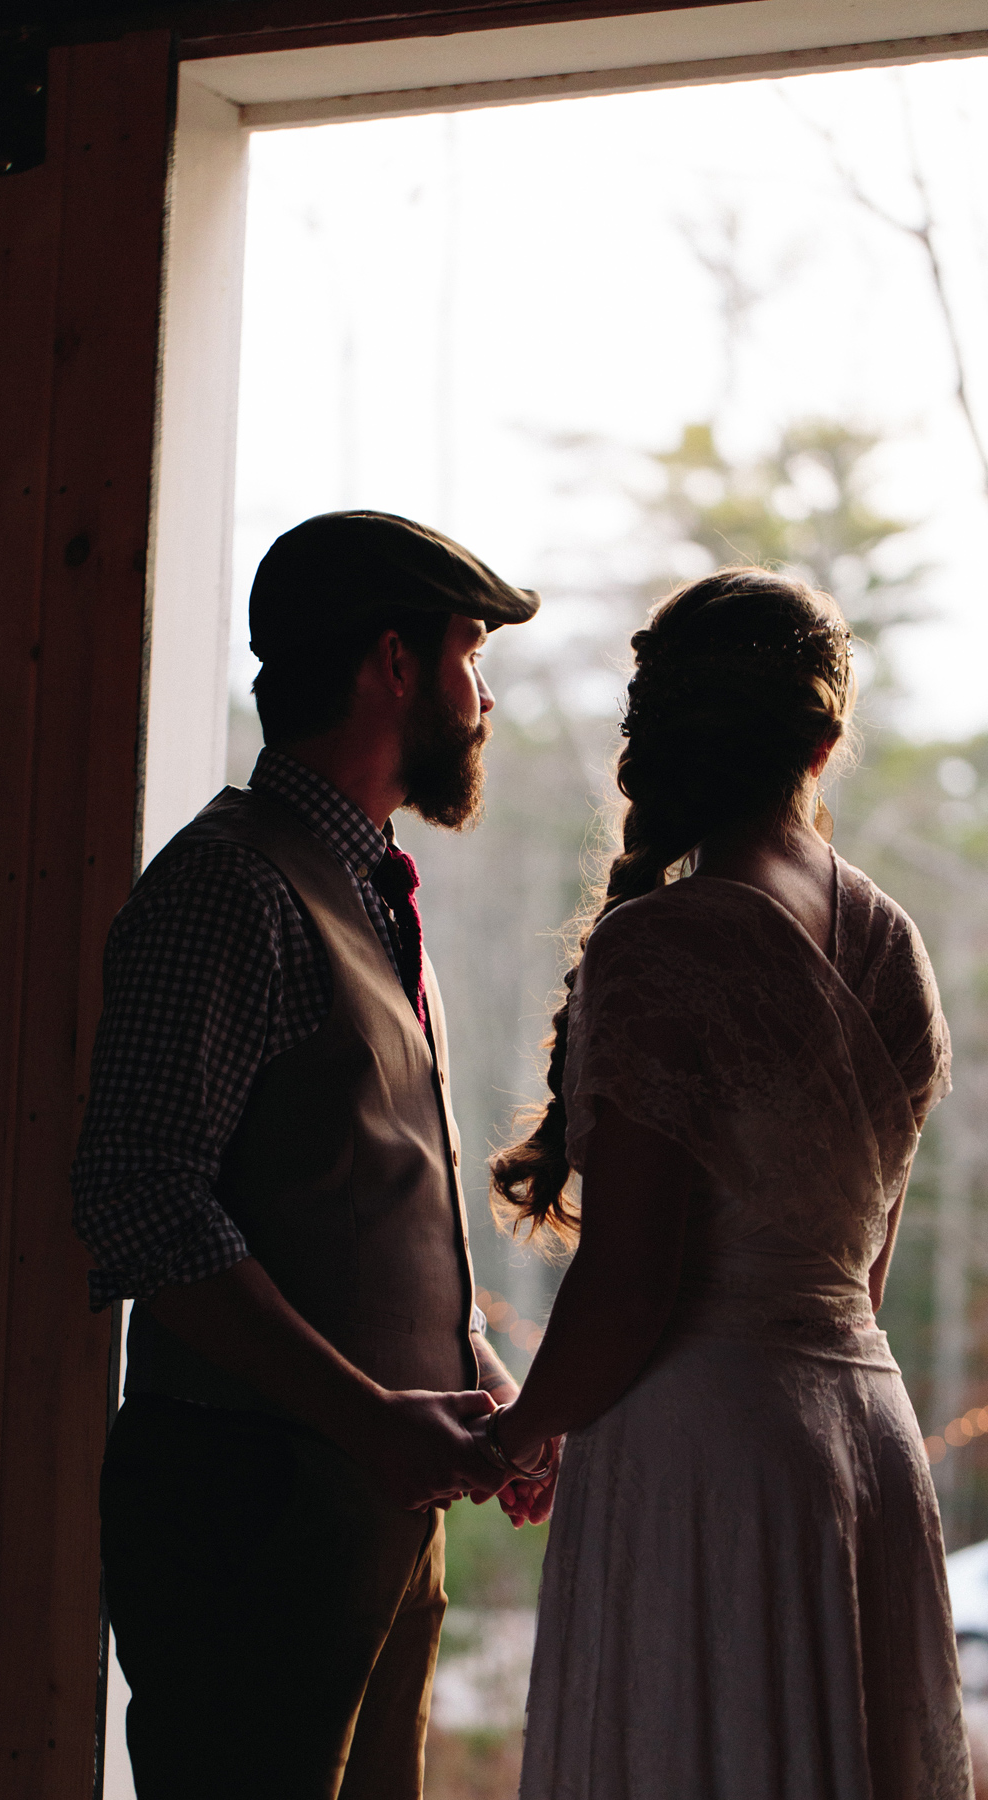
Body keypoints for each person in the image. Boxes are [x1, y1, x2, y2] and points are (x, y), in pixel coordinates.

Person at [71, 510, 549, 1800]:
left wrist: (468, 1378)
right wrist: (367, 1418)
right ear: (392, 665)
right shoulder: (224, 888)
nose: (485, 696)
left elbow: (344, 1196)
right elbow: (137, 1202)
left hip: (370, 1521)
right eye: (469, 653)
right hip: (246, 1522)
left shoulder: (365, 889)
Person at [477, 567, 973, 1798]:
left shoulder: (662, 941)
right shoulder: (891, 942)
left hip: (708, 1460)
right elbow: (863, 1264)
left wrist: (522, 1432)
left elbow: (636, 1276)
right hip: (864, 1443)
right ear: (825, 738)